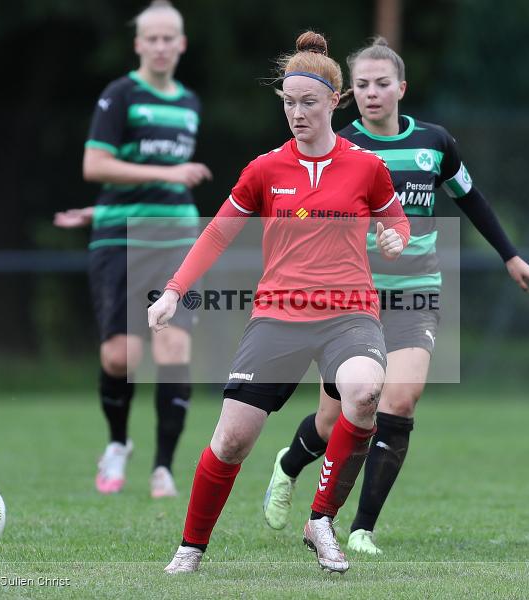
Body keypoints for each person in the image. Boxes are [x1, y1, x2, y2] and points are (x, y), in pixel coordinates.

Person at [262, 37, 529, 554]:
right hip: (352, 299)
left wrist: (510, 255)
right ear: (351, 93)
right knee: (334, 421)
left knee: (401, 398)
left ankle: (362, 528)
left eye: (382, 83)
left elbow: (472, 199)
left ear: (401, 88)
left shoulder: (435, 143)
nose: (373, 93)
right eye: (363, 85)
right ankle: (288, 464)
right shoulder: (339, 146)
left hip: (416, 292)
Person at [148, 31, 411, 574]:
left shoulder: (366, 167)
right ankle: (190, 548)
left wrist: (394, 238)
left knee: (363, 394)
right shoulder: (265, 169)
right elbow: (218, 234)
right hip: (279, 315)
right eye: (288, 103)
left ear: (334, 103)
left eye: (307, 102)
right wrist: (174, 289)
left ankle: (321, 521)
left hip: (349, 315)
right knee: (233, 439)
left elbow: (397, 222)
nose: (296, 113)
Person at [54, 1, 212, 498]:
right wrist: (161, 178)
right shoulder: (120, 95)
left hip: (178, 238)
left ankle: (163, 467)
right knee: (121, 357)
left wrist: (161, 188)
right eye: (153, 38)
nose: (162, 46)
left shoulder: (189, 103)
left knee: (173, 346)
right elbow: (95, 165)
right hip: (120, 239)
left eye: (170, 38)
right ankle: (118, 443)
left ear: (182, 44)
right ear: (138, 44)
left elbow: (149, 182)